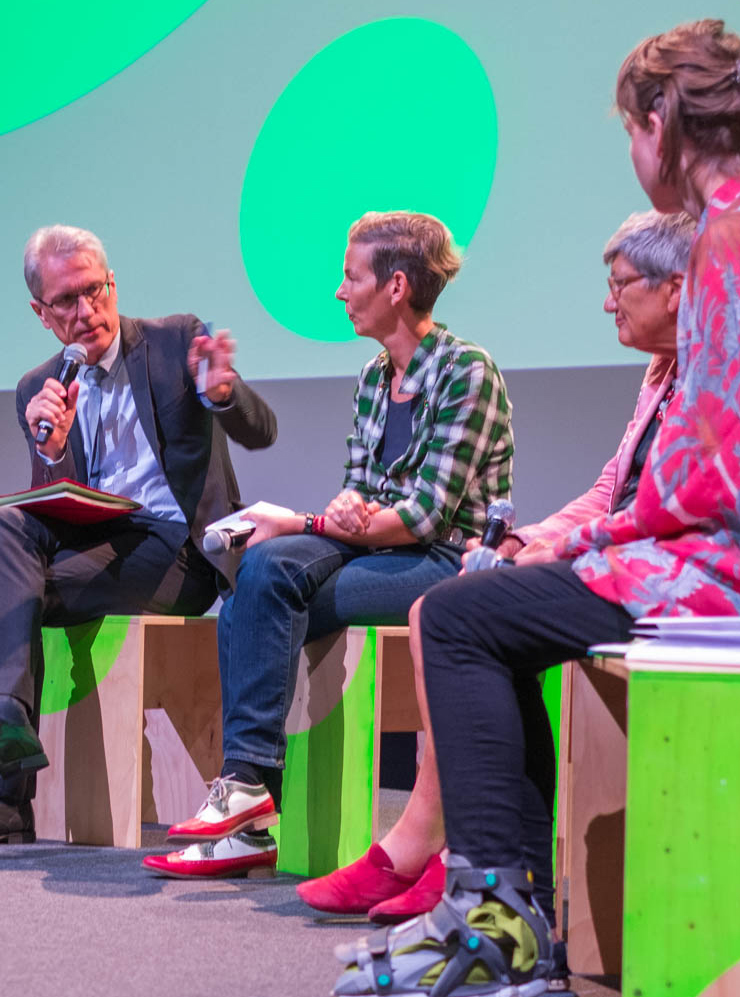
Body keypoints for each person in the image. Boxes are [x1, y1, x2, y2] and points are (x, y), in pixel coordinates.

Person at [332, 21, 740, 996]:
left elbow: (711, 474)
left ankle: (495, 918)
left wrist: (584, 537)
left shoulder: (736, 243)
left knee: (461, 616)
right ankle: (500, 912)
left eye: (631, 133)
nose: (634, 157)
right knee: (495, 607)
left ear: (659, 120)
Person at [295, 209, 693, 918]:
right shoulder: (663, 370)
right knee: (452, 600)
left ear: (676, 287)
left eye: (620, 283)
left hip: (674, 578)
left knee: (446, 612)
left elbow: (674, 506)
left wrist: (555, 546)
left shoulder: (713, 371)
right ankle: (502, 886)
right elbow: (613, 486)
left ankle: (456, 867)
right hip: (627, 561)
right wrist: (528, 537)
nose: (608, 300)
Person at [140, 211, 512, 879]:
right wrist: (338, 509)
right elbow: (364, 497)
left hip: (444, 562)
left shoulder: (467, 372)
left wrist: (309, 521)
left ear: (396, 286)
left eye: (351, 276)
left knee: (265, 590)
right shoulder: (375, 378)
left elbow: (422, 518)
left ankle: (250, 796)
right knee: (259, 568)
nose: (340, 292)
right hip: (378, 550)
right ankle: (247, 795)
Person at [0, 224, 278, 845]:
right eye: (67, 302)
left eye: (95, 291)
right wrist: (50, 450)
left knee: (8, 600)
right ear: (41, 313)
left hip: (177, 553)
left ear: (112, 283)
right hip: (101, 546)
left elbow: (261, 430)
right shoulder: (39, 389)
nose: (86, 311)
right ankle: (4, 728)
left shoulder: (174, 341)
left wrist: (222, 393)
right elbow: (49, 515)